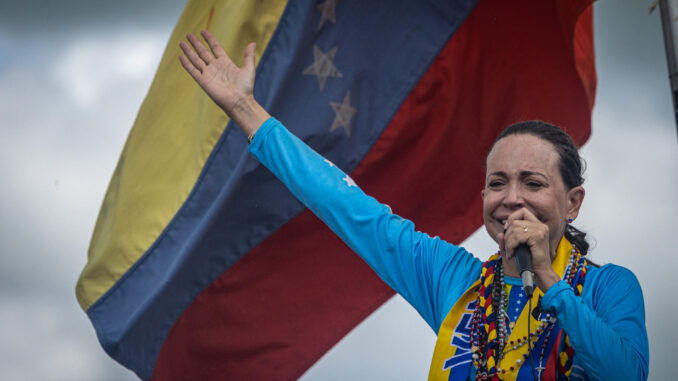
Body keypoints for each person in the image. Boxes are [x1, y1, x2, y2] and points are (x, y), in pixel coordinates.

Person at [178, 30, 649, 381]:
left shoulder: (610, 287)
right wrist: (245, 109)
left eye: (533, 183)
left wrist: (547, 279)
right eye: (497, 183)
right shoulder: (452, 278)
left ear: (573, 202)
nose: (511, 199)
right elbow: (344, 203)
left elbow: (627, 374)